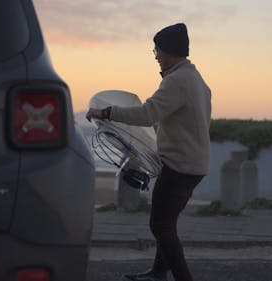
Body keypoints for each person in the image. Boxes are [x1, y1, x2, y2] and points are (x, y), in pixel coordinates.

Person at [86, 23, 211, 281]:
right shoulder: (196, 79)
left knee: (160, 226)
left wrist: (106, 112)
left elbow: (147, 114)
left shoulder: (177, 81)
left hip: (180, 167)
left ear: (169, 51)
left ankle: (181, 277)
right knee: (167, 225)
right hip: (194, 164)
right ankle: (158, 273)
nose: (156, 56)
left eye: (157, 50)